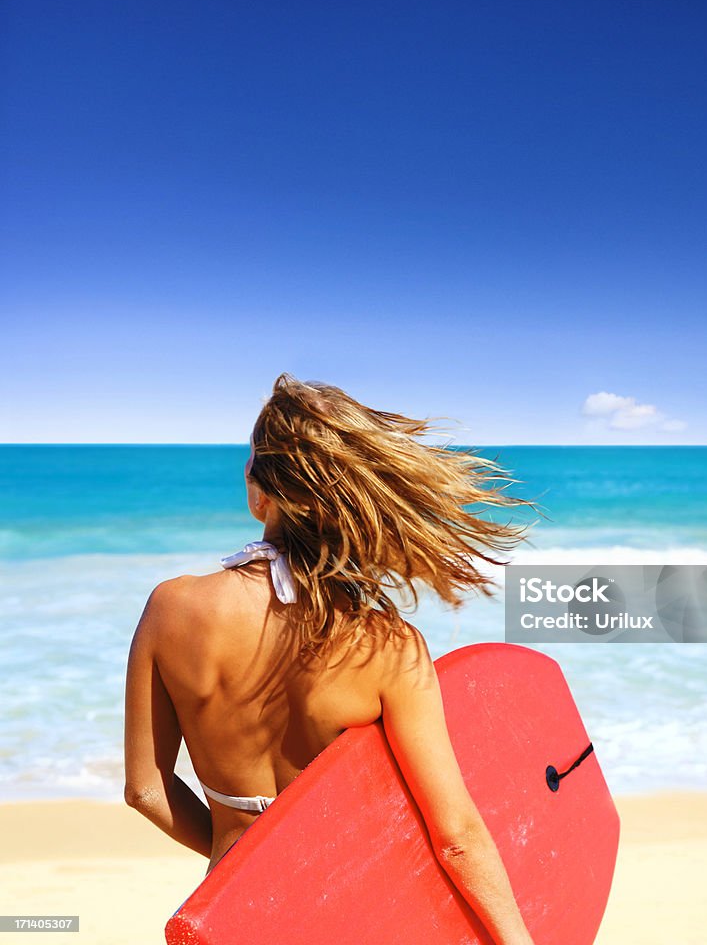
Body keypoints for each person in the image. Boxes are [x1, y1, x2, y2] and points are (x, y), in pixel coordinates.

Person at [124, 374, 535, 945]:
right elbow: (457, 837)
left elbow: (146, 791)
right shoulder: (390, 646)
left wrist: (246, 866)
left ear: (257, 490)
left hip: (231, 913)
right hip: (346, 916)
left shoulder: (171, 607)